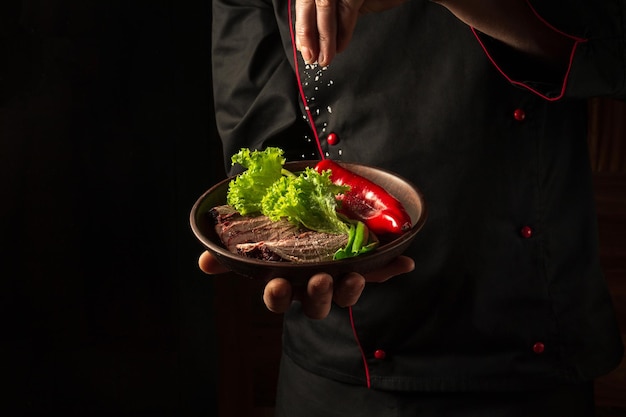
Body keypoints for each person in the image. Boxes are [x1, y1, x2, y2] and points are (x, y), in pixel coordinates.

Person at [202, 0, 626, 415]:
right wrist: (290, 245)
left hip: (528, 350)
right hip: (341, 352)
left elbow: (614, 51)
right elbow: (260, 145)